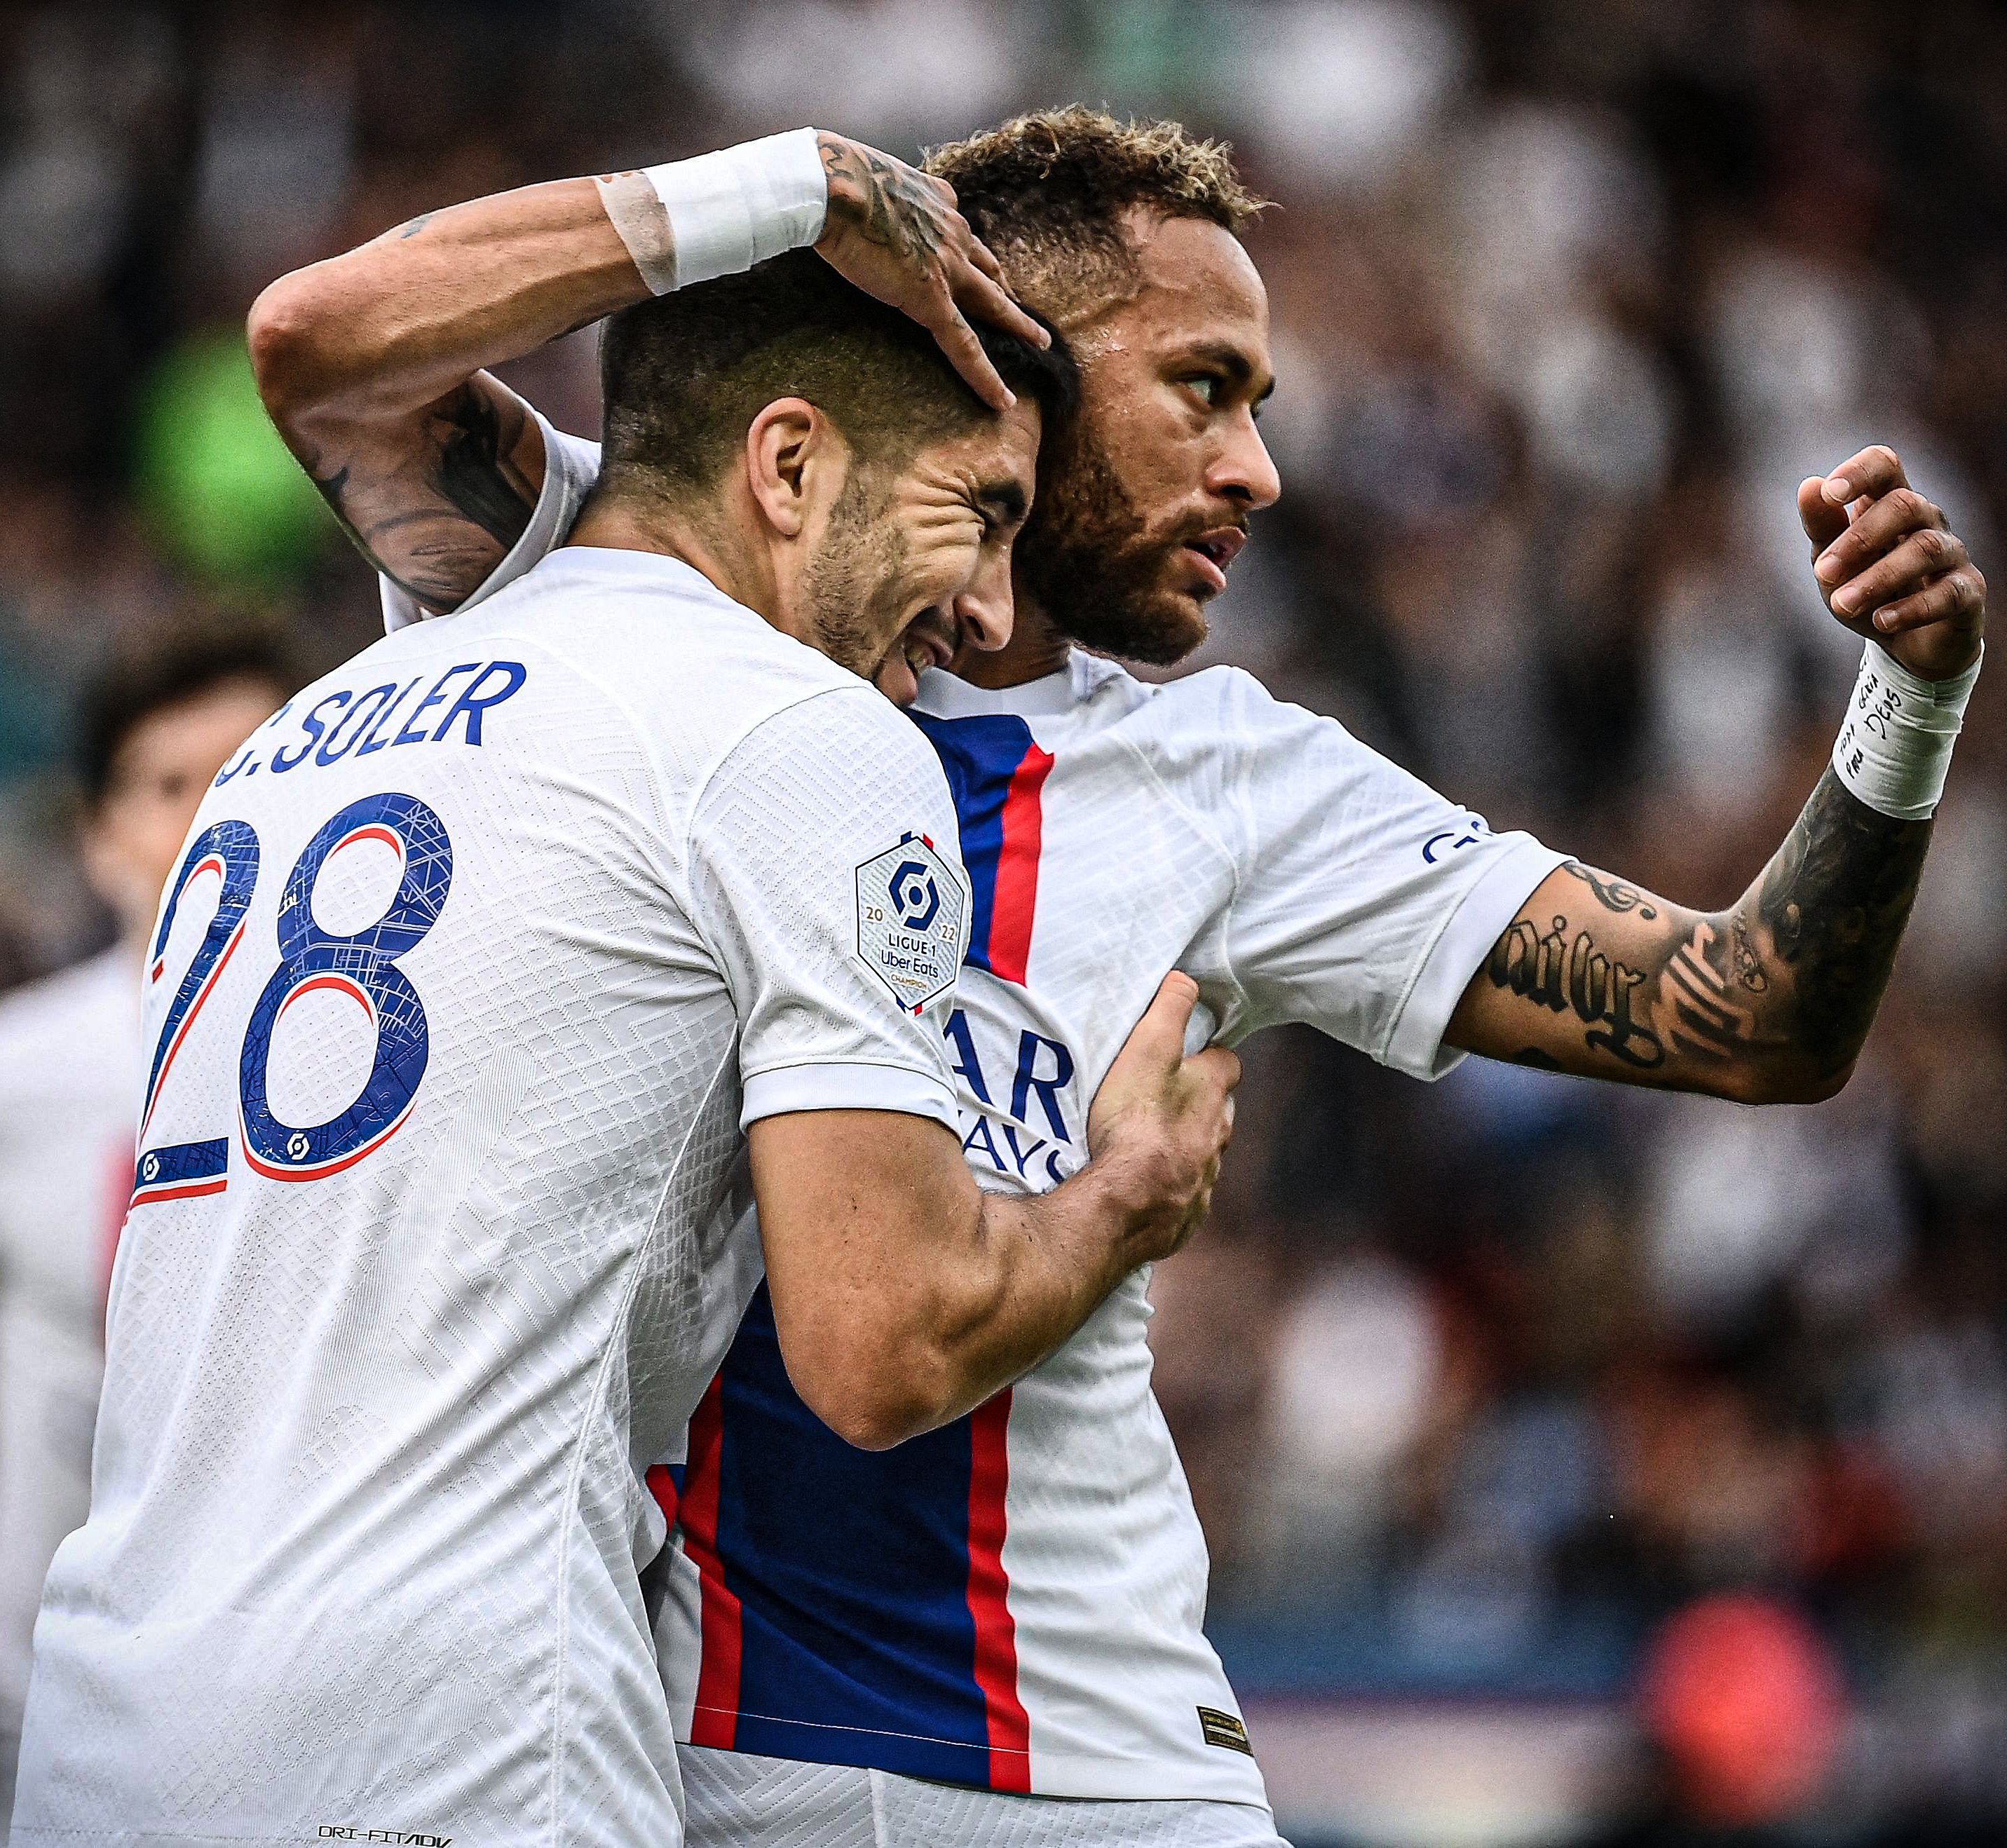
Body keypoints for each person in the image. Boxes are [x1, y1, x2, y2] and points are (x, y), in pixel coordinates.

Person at [250, 113, 1987, 1848]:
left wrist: (1904, 706)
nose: (1258, 473)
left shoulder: (1229, 779)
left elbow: (1742, 1014)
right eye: (1203, 388)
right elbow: (329, 350)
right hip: (682, 1772)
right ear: (1000, 355)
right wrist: (780, 193)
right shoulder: (640, 572)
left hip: (1083, 1771)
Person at [11, 182, 1239, 1848]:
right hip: (450, 1734)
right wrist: (1127, 1197)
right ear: (789, 468)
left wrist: (769, 193)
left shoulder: (319, 722)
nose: (988, 615)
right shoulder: (798, 734)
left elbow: (317, 341)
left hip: (108, 1718)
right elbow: (884, 1341)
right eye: (977, 508)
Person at [0, 623, 296, 1833]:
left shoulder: (373, 1085)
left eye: (253, 767)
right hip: (40, 1685)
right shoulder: (21, 1074)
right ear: (101, 834)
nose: (217, 813)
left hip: (280, 1687)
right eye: (175, 785)